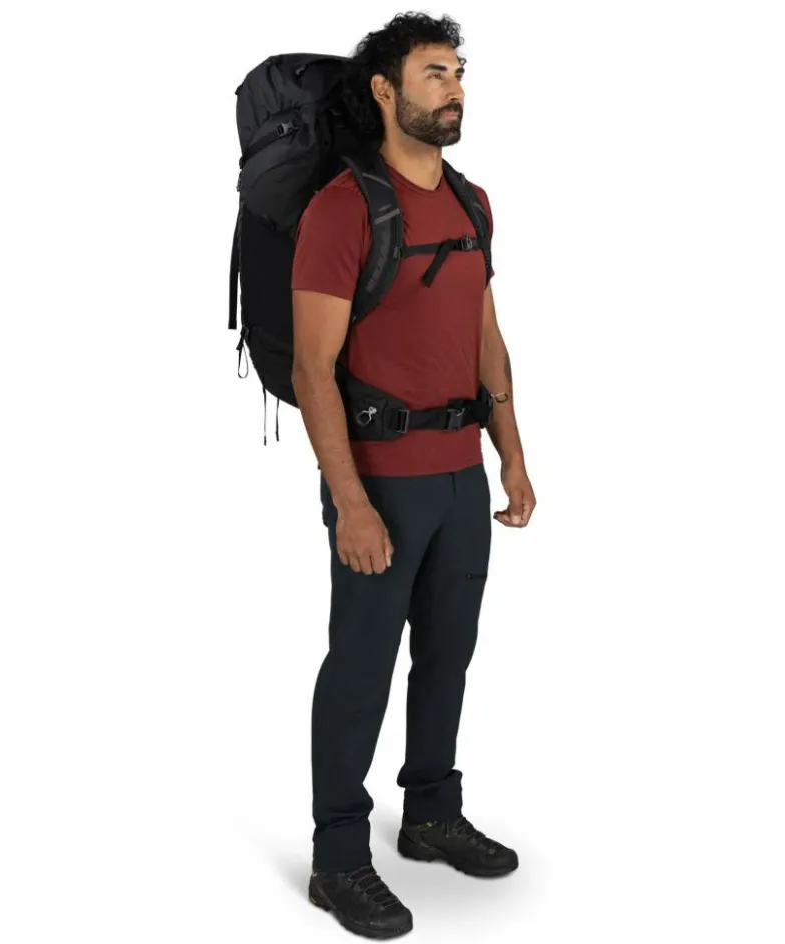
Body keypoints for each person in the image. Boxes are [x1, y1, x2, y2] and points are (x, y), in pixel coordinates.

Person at [291, 12, 536, 938]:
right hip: (382, 482)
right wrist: (351, 502)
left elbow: (484, 334)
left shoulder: (473, 203)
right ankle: (337, 859)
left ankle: (431, 814)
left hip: (461, 477)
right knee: (361, 668)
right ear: (385, 90)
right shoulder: (342, 208)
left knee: (447, 655)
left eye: (459, 73)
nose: (455, 89)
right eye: (435, 73)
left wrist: (512, 455)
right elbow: (314, 369)